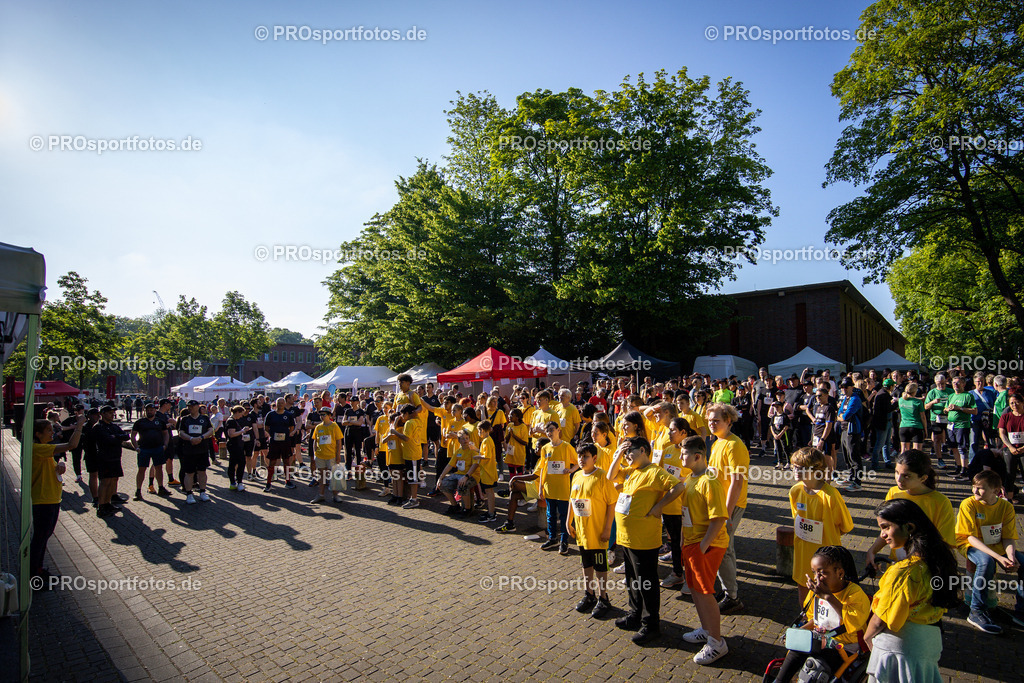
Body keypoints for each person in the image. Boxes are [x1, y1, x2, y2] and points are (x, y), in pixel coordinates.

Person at [864, 499, 959, 683]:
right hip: (929, 643)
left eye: (886, 527)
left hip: (900, 650)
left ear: (909, 527)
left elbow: (881, 619)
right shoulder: (939, 559)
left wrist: (868, 637)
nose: (882, 535)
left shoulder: (903, 572)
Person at [608, 436, 685, 645]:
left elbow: (678, 487)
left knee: (646, 582)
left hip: (644, 539)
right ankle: (635, 614)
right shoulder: (630, 471)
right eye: (625, 454)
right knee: (632, 579)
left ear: (643, 450)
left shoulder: (655, 472)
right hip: (627, 538)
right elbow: (610, 475)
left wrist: (659, 506)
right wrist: (619, 453)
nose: (627, 457)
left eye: (630, 452)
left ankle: (651, 624)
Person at [771, 546, 870, 682]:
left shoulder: (854, 594)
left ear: (840, 573)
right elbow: (815, 620)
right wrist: (798, 633)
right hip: (820, 639)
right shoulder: (816, 592)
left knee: (814, 667)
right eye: (814, 572)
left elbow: (854, 622)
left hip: (844, 646)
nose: (817, 578)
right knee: (795, 650)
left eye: (822, 573)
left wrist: (828, 597)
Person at [676, 435, 731, 664]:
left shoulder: (710, 481)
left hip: (707, 545)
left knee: (705, 591)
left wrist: (703, 546)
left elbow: (718, 518)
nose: (680, 457)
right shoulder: (690, 478)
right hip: (691, 543)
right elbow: (686, 512)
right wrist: (683, 539)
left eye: (684, 454)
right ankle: (706, 629)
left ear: (697, 456)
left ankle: (717, 642)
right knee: (695, 589)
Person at [955, 470, 1024, 633]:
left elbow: (1008, 537)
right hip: (970, 544)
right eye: (974, 486)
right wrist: (998, 557)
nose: (975, 491)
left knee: (1022, 563)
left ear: (996, 490)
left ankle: (1021, 612)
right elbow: (970, 537)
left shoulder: (1006, 507)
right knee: (986, 562)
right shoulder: (968, 504)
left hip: (997, 545)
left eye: (980, 488)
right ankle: (976, 611)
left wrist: (1011, 557)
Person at [866, 449, 955, 571]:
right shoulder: (893, 493)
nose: (899, 479)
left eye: (906, 476)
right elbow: (886, 529)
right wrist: (872, 550)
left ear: (923, 478)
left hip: (924, 568)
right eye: (897, 472)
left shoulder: (941, 502)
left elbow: (946, 543)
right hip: (898, 564)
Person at [788, 447, 854, 607]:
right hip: (803, 553)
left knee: (826, 598)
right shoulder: (795, 491)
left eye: (802, 468)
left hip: (826, 557)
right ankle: (805, 617)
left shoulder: (831, 496)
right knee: (803, 594)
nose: (796, 471)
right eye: (794, 466)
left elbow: (845, 526)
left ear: (816, 470)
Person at [30, 414, 85, 584]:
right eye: (48, 430)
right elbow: (71, 445)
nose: (52, 433)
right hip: (43, 500)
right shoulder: (37, 448)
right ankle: (34, 574)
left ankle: (38, 570)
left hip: (52, 499)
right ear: (38, 434)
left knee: (44, 537)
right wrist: (79, 426)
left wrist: (59, 466)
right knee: (40, 538)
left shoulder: (44, 448)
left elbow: (50, 468)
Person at [706, 402, 749, 615]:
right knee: (722, 548)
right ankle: (727, 591)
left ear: (728, 421)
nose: (712, 424)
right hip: (718, 504)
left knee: (724, 549)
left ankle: (732, 596)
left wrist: (726, 513)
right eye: (710, 420)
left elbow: (737, 482)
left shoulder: (735, 445)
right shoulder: (717, 442)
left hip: (729, 506)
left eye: (716, 420)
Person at [566, 444, 618, 619]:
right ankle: (589, 594)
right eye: (580, 456)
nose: (581, 460)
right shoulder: (576, 475)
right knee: (586, 564)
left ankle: (603, 598)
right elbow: (572, 500)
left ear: (594, 458)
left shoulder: (602, 477)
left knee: (600, 566)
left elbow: (611, 503)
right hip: (582, 532)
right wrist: (568, 521)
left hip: (598, 532)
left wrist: (607, 529)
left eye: (586, 456)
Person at [654, 416, 692, 589]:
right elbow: (660, 474)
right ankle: (678, 574)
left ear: (683, 432)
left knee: (687, 544)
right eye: (669, 430)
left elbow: (698, 476)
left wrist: (680, 479)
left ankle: (691, 579)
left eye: (672, 430)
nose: (669, 433)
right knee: (675, 543)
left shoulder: (691, 451)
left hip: (685, 506)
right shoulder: (667, 449)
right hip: (668, 505)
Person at [535, 422, 579, 553]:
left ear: (558, 430)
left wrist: (571, 470)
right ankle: (552, 538)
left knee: (564, 515)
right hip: (549, 487)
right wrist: (541, 487)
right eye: (547, 431)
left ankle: (564, 541)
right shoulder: (545, 448)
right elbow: (542, 469)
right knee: (550, 515)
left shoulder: (566, 446)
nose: (549, 433)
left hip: (563, 488)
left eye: (551, 430)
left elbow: (578, 462)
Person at [93, 405, 131, 517]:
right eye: (109, 413)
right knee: (105, 482)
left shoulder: (113, 426)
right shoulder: (98, 427)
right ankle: (101, 506)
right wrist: (117, 438)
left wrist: (116, 436)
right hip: (105, 458)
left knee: (113, 480)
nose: (112, 415)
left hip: (115, 457)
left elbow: (126, 436)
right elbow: (108, 440)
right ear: (103, 414)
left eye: (113, 412)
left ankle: (108, 503)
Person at [130, 403, 171, 500]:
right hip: (144, 449)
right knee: (141, 470)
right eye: (148, 410)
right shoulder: (140, 422)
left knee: (159, 468)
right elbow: (133, 435)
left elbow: (165, 433)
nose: (149, 412)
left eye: (151, 410)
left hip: (158, 448)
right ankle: (138, 491)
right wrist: (136, 447)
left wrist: (165, 445)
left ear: (155, 411)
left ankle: (161, 487)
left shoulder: (160, 422)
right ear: (145, 411)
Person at [177, 400, 214, 504]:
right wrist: (191, 439)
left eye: (192, 406)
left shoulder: (205, 418)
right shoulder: (185, 419)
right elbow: (181, 432)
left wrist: (201, 437)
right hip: (189, 450)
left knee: (202, 471)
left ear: (198, 407)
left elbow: (210, 430)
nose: (190, 408)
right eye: (189, 406)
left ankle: (202, 492)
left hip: (202, 449)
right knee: (189, 473)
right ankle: (189, 494)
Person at [943, 375, 976, 479]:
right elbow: (945, 409)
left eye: (958, 383)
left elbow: (974, 411)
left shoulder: (968, 396)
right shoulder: (951, 396)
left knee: (962, 447)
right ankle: (958, 467)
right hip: (950, 425)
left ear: (963, 384)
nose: (955, 385)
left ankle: (964, 469)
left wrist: (960, 408)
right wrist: (948, 409)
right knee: (953, 447)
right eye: (954, 383)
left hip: (962, 425)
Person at [835, 377, 864, 491]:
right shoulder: (846, 399)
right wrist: (841, 416)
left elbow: (845, 416)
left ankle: (857, 482)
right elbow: (839, 413)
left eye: (846, 387)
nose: (844, 389)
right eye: (842, 387)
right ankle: (851, 477)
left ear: (852, 387)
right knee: (847, 456)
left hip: (852, 431)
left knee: (854, 456)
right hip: (844, 430)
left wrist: (841, 416)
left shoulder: (855, 399)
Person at [310, 408, 344, 504]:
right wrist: (315, 452)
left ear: (329, 415)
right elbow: (315, 441)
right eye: (321, 415)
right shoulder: (318, 427)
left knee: (333, 477)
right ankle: (320, 495)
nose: (322, 416)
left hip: (331, 455)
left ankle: (335, 495)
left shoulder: (334, 426)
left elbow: (339, 441)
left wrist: (338, 455)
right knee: (321, 476)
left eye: (324, 414)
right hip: (320, 456)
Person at [263, 398, 297, 493]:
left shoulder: (288, 415)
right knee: (272, 462)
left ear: (285, 404)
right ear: (276, 404)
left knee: (286, 461)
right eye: (279, 403)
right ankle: (268, 483)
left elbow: (292, 427)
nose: (280, 404)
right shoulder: (270, 414)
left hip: (285, 441)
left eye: (282, 403)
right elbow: (266, 427)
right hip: (274, 442)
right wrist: (271, 435)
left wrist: (287, 434)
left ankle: (288, 481)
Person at [925, 374, 954, 468]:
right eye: (938, 384)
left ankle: (955, 458)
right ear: (935, 383)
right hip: (936, 418)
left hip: (949, 418)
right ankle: (939, 459)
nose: (941, 385)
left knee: (952, 438)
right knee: (937, 438)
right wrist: (933, 402)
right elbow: (926, 407)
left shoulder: (950, 391)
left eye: (942, 383)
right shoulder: (932, 392)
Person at [224, 405, 253, 492]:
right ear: (237, 412)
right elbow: (231, 434)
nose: (241, 416)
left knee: (235, 463)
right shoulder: (231, 421)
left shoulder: (233, 420)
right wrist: (242, 431)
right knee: (238, 463)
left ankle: (235, 482)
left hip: (237, 444)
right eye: (241, 414)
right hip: (234, 445)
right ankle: (237, 482)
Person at [897, 382, 927, 455]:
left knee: (904, 451)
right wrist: (925, 429)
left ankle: (902, 462)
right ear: (915, 391)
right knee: (917, 452)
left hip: (903, 426)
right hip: (916, 426)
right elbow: (923, 417)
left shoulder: (901, 400)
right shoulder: (918, 402)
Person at [768, 389, 791, 470]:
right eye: (775, 407)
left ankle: (788, 462)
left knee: (785, 448)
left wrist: (781, 433)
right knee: (778, 448)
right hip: (776, 435)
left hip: (783, 434)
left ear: (781, 407)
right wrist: (774, 434)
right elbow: (771, 425)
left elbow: (786, 426)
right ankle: (779, 462)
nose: (776, 409)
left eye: (778, 407)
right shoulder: (774, 416)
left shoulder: (784, 416)